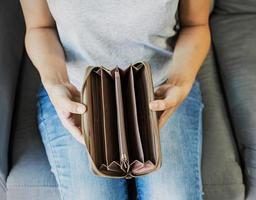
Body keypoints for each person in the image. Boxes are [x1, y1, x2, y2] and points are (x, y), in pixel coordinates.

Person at [20, 0, 211, 199]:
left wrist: (179, 82)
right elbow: (39, 27)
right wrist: (56, 83)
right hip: (76, 93)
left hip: (163, 88)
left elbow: (195, 25)